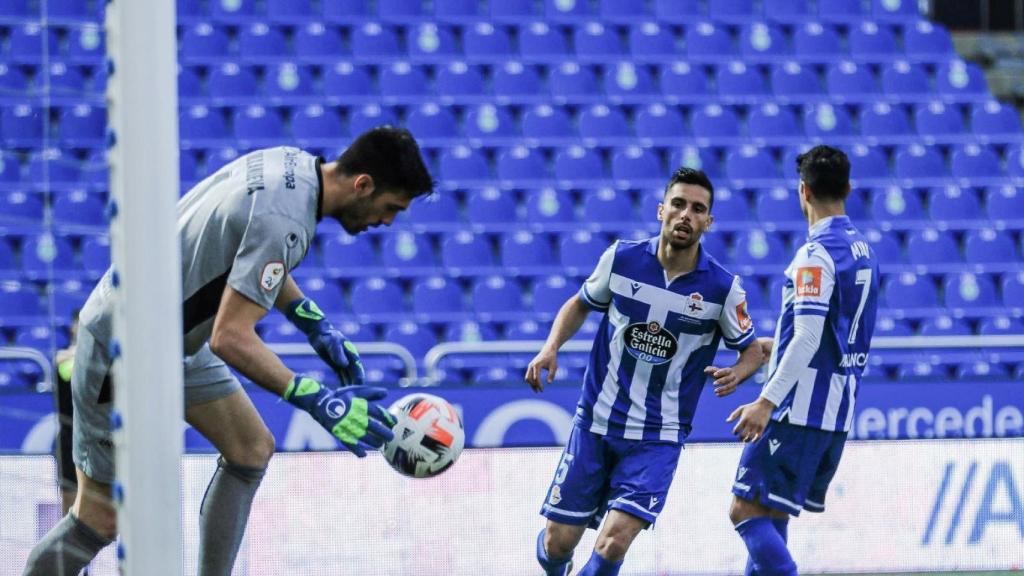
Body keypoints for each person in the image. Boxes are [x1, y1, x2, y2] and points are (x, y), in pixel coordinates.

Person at [23, 127, 435, 576]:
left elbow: (254, 254)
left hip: (169, 338)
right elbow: (230, 338)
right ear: (363, 185)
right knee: (99, 519)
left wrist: (314, 324)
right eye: (392, 208)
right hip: (121, 346)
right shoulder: (289, 220)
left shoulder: (292, 165)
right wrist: (317, 398)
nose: (388, 222)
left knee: (250, 450)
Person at [526, 167, 765, 576]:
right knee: (556, 541)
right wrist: (551, 348)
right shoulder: (621, 259)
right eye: (678, 204)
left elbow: (753, 351)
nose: (686, 215)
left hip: (658, 436)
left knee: (614, 540)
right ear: (661, 211)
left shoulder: (723, 289)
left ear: (709, 221)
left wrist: (738, 373)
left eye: (697, 209)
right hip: (596, 423)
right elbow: (581, 302)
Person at [726, 145, 879, 576]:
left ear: (803, 192)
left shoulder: (815, 256)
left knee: (744, 510)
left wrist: (766, 402)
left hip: (799, 410)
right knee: (771, 513)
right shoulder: (864, 251)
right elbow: (830, 336)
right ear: (848, 188)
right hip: (837, 408)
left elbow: (810, 337)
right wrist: (770, 347)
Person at [51, 310, 89, 575]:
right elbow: (68, 371)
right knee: (70, 509)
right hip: (68, 439)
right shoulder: (64, 358)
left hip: (96, 439)